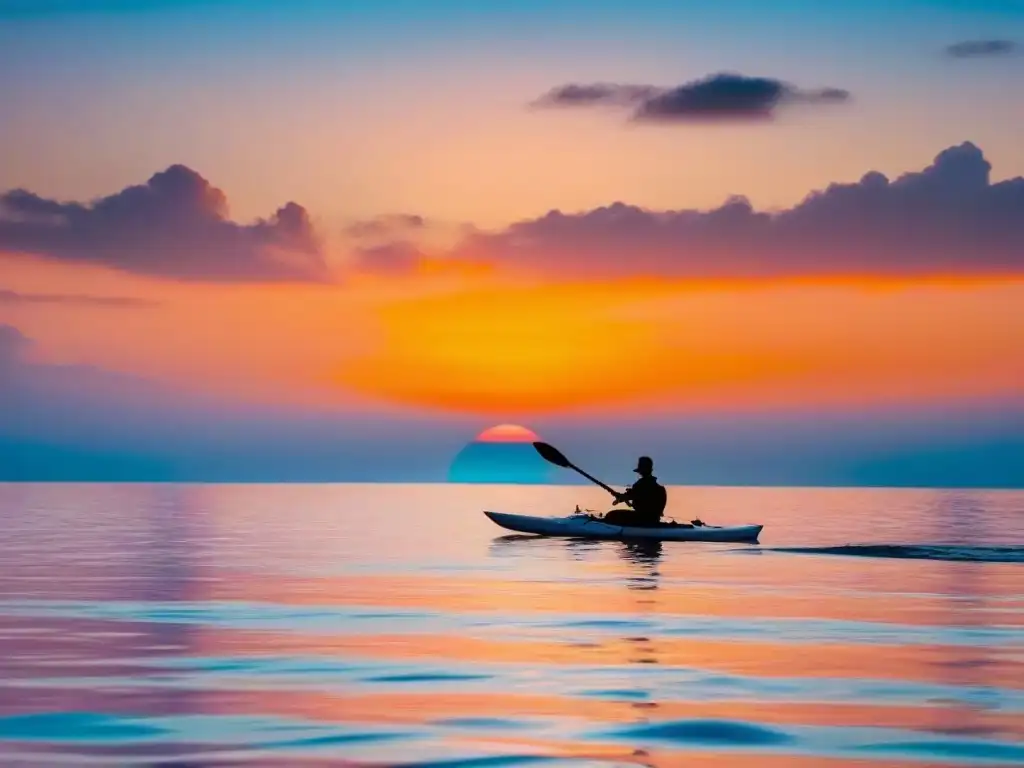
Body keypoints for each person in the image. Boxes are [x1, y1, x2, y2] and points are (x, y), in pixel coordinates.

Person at [601, 456, 667, 527]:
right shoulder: (656, 486)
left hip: (643, 519)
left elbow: (632, 495)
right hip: (654, 519)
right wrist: (621, 497)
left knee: (611, 515)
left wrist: (621, 497)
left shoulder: (641, 484)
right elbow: (633, 495)